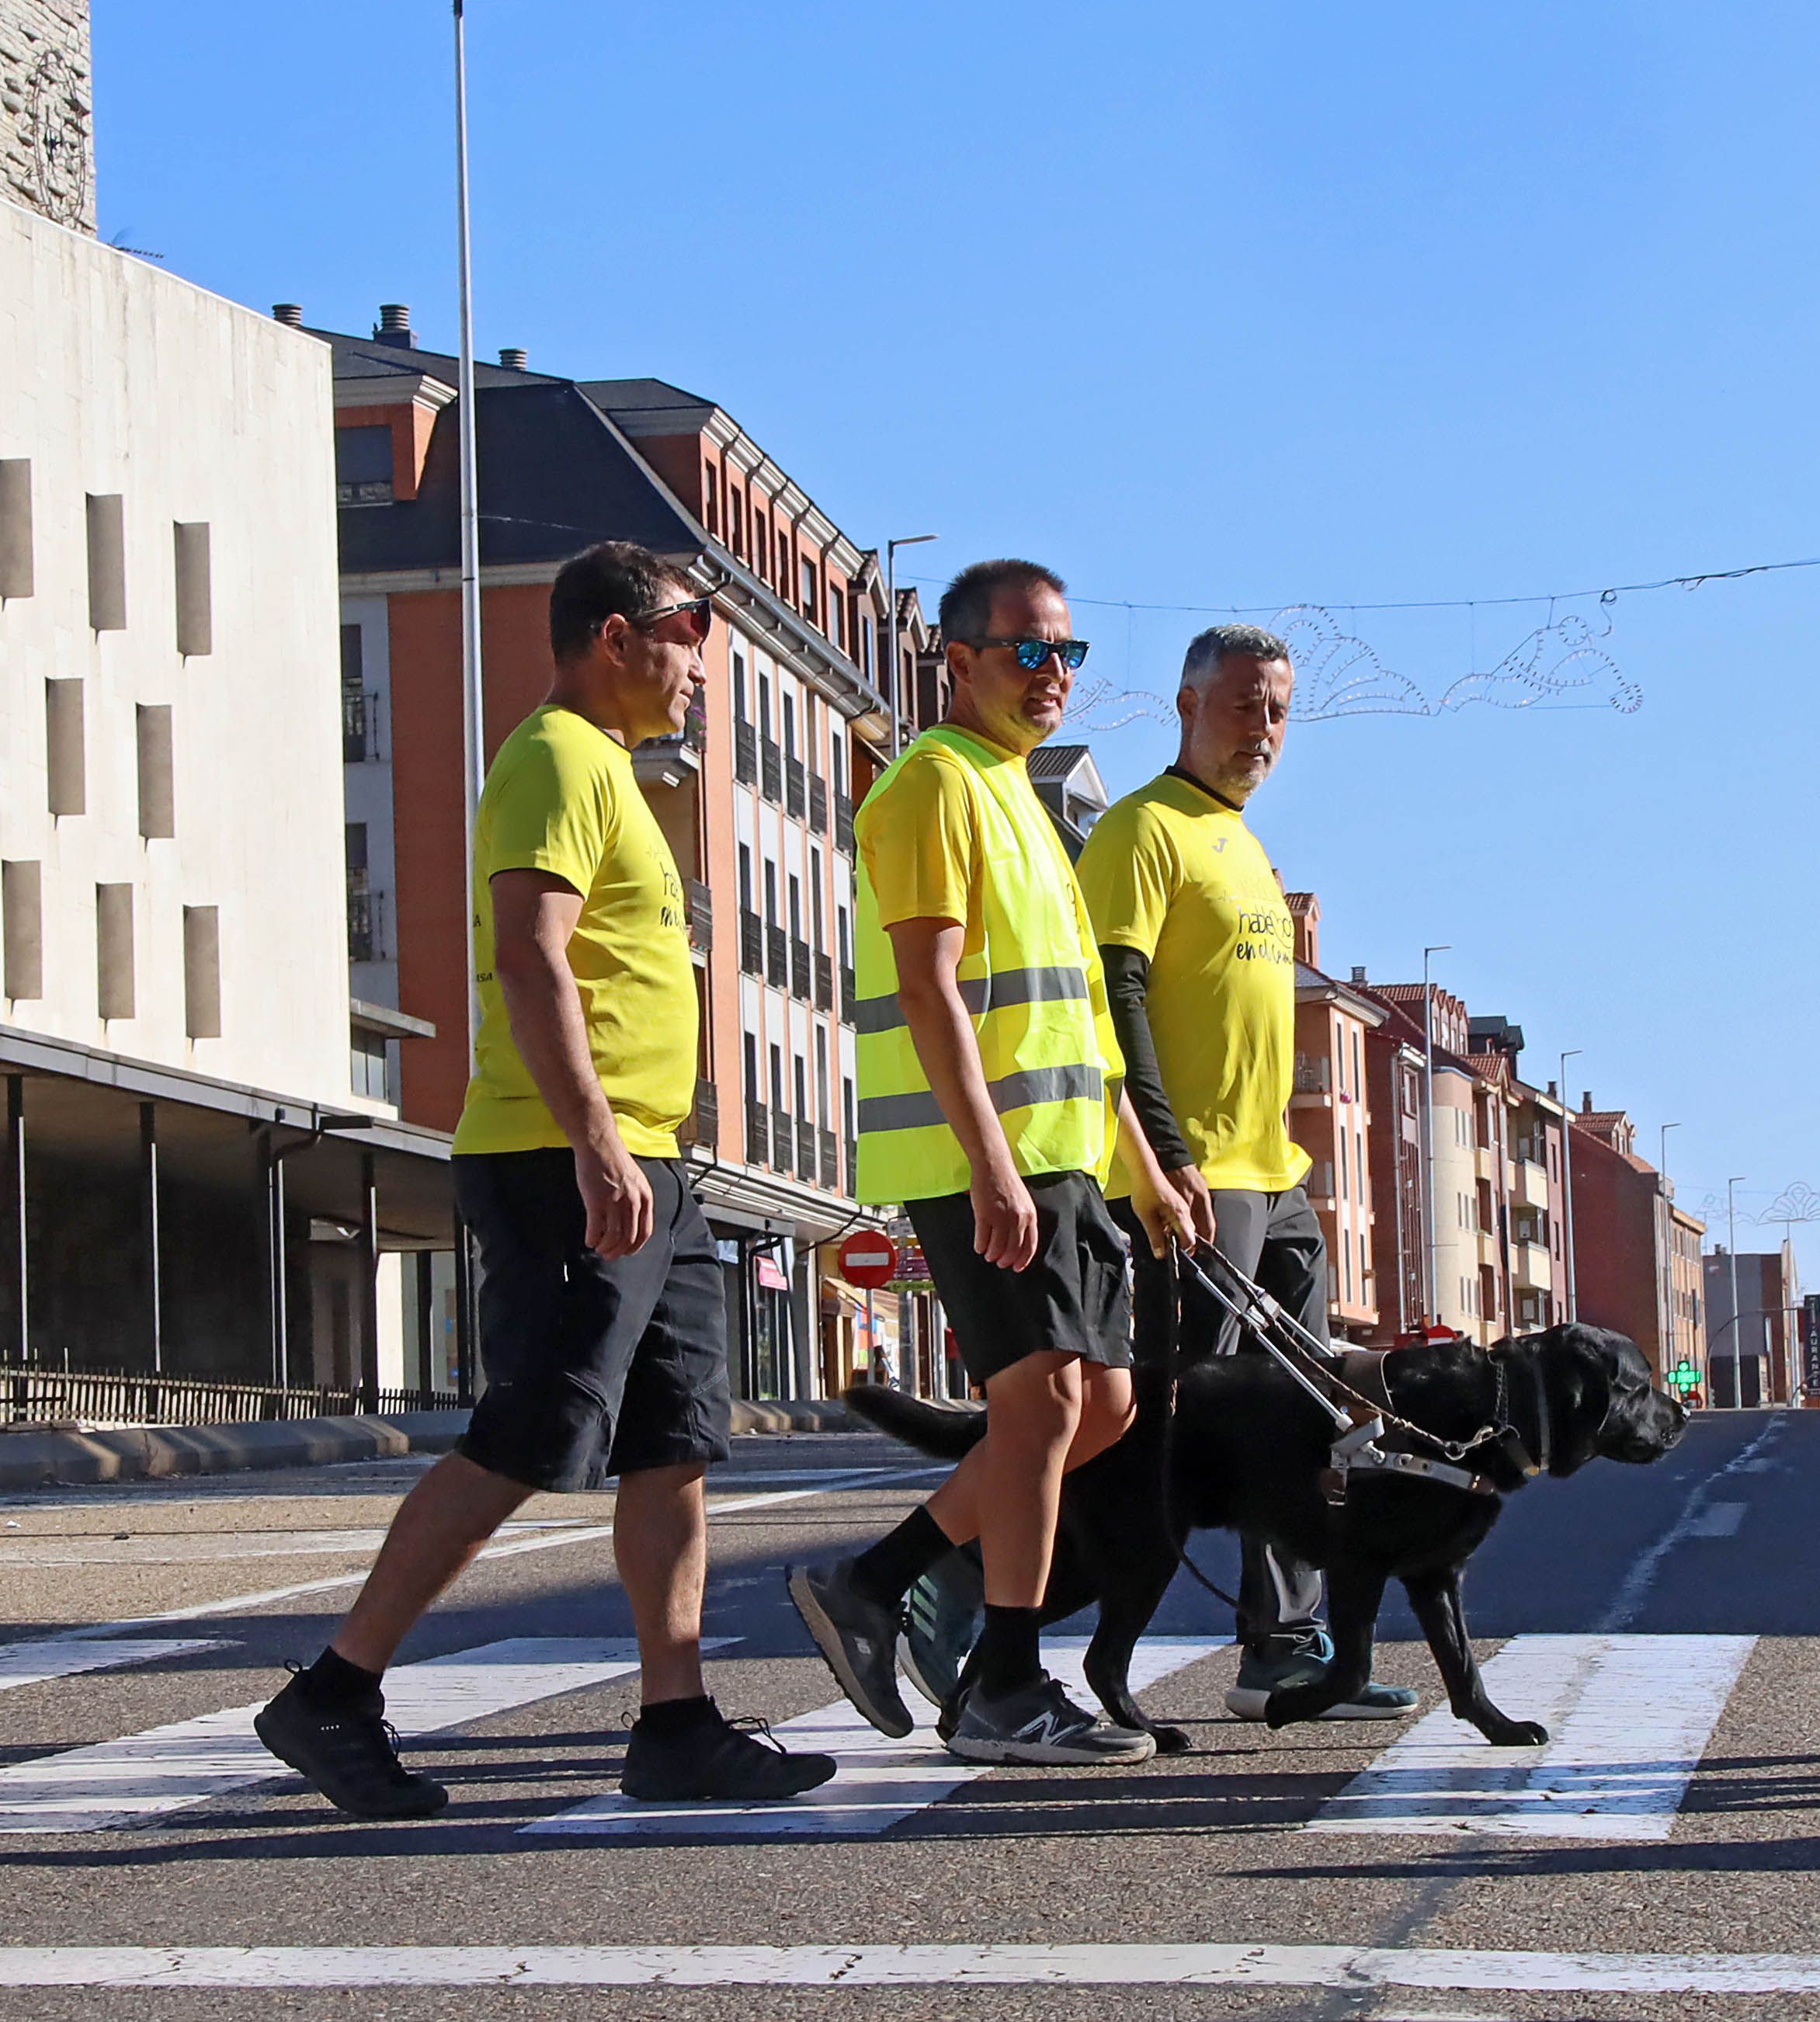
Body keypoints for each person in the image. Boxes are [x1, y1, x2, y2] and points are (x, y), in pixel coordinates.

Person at [259, 543, 832, 1817]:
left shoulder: (617, 774)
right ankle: (334, 1691)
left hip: (648, 1161)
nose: (703, 664)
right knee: (532, 1428)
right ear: (616, 635)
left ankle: (675, 1723)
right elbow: (531, 958)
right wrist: (593, 1140)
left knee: (675, 1444)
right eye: (690, 633)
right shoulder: (557, 758)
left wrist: (641, 1148)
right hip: (559, 1154)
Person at [786, 558, 1193, 1766]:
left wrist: (1142, 1167)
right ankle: (1004, 1683)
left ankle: (881, 1582)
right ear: (956, 662)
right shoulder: (931, 787)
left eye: (1066, 653)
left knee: (1104, 1405)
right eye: (1027, 651)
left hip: (1062, 1157)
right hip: (987, 1161)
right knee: (1046, 1405)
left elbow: (1073, 1020)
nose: (1052, 674)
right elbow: (929, 988)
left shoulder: (1025, 797)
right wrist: (991, 1168)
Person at [1078, 624, 1419, 1723]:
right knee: (1170, 1432)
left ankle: (1282, 1643)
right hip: (1194, 1184)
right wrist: (1166, 1158)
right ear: (1184, 705)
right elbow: (1114, 1001)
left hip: (1277, 1178)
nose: (1262, 731)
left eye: (1276, 711)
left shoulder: (1243, 847)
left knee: (1313, 1417)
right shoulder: (1141, 831)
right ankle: (1002, 1614)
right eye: (1241, 707)